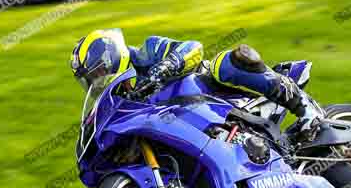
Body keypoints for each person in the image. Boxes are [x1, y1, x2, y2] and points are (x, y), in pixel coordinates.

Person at [70, 29, 328, 142]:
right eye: (92, 80)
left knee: (225, 63)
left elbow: (193, 48)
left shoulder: (148, 50)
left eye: (99, 72)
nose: (99, 80)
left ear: (109, 55)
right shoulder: (123, 98)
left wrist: (164, 67)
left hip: (213, 94)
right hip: (191, 126)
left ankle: (305, 108)